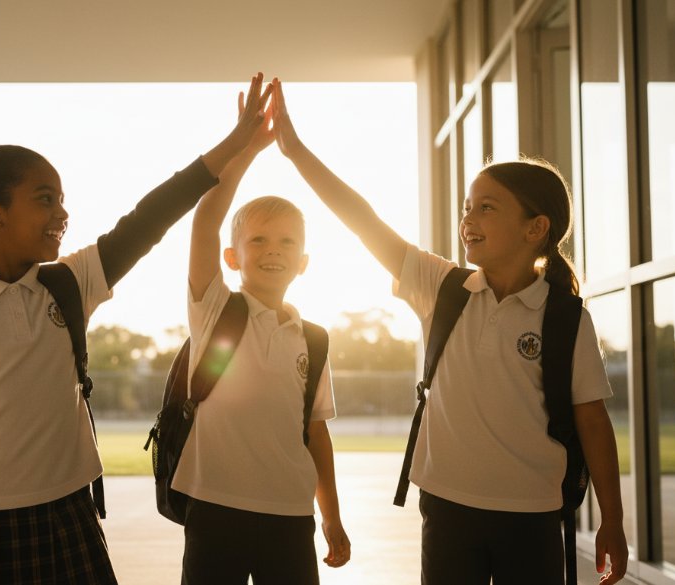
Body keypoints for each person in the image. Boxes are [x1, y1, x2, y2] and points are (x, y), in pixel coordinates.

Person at [0, 73, 274, 585]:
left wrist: (234, 144)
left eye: (62, 200)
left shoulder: (69, 284)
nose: (62, 213)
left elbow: (150, 217)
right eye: (44, 199)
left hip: (65, 517)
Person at [269, 78, 628, 585]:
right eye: (467, 207)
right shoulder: (443, 287)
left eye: (487, 207)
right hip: (446, 507)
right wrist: (295, 151)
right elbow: (362, 220)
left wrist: (612, 519)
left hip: (533, 514)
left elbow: (593, 422)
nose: (468, 219)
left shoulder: (567, 318)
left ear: (535, 228)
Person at [174, 86, 350, 585]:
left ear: (305, 261)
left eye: (288, 241)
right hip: (214, 509)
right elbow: (206, 221)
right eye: (258, 239)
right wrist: (245, 148)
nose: (274, 250)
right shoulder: (214, 309)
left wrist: (331, 517)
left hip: (290, 515)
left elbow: (315, 433)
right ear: (233, 257)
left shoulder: (312, 339)